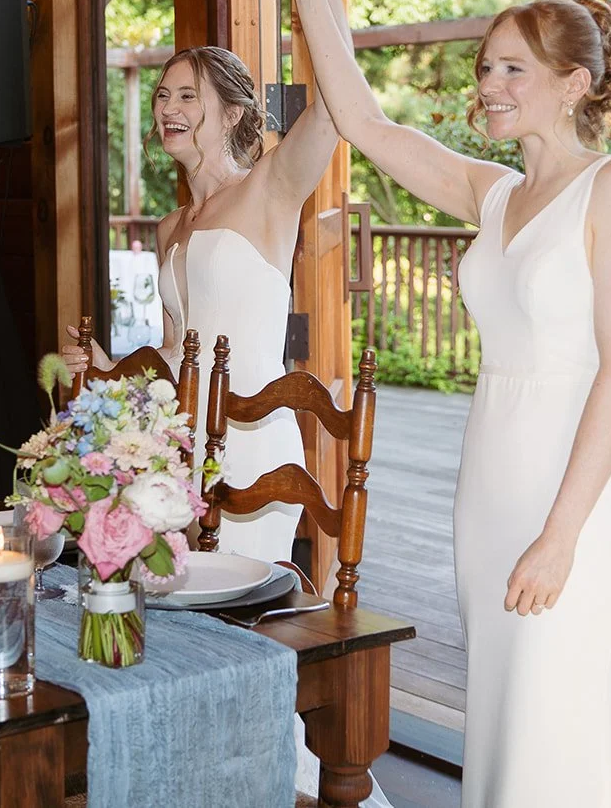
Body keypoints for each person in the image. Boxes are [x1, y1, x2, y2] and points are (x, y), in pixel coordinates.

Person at [291, 0, 611, 807]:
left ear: (574, 85)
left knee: (559, 706)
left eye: (511, 69)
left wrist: (561, 535)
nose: (488, 85)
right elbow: (366, 123)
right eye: (485, 66)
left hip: (578, 495)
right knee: (505, 709)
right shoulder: (492, 194)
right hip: (492, 480)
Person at [62, 46, 396, 807]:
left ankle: (281, 785)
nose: (168, 108)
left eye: (188, 94)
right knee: (188, 642)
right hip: (186, 463)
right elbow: (184, 350)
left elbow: (338, 109)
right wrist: (107, 363)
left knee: (234, 643)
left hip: (259, 456)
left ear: (238, 112)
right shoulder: (171, 222)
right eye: (163, 96)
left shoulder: (272, 188)